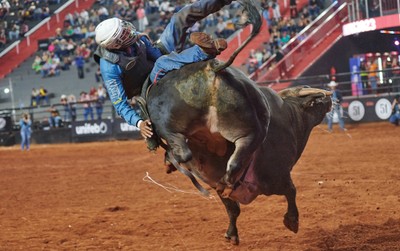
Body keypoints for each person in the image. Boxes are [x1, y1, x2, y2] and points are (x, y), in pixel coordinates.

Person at [93, 0, 232, 140]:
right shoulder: (109, 67)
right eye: (123, 33)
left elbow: (154, 52)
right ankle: (204, 51)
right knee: (162, 63)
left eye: (124, 27)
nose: (128, 31)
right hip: (146, 86)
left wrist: (173, 58)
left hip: (158, 59)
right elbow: (119, 104)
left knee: (178, 18)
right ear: (115, 44)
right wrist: (139, 122)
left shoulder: (134, 38)